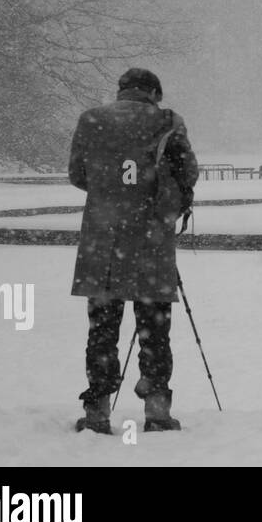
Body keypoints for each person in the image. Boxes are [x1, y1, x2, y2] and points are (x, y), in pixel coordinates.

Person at [68, 68, 199, 434]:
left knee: (102, 330)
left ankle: (97, 412)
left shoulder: (91, 120)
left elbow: (77, 174)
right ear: (155, 92)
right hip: (151, 239)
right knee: (154, 331)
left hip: (104, 239)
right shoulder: (168, 121)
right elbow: (188, 172)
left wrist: (112, 192)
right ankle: (157, 412)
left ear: (122, 91)